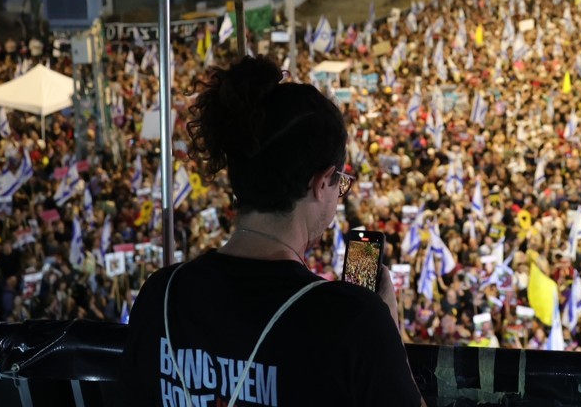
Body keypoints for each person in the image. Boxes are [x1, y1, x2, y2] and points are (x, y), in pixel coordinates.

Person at [120, 56, 422, 406]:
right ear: (322, 183)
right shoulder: (353, 321)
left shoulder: (160, 294)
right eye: (340, 184)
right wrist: (388, 334)